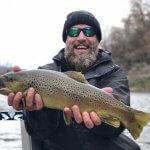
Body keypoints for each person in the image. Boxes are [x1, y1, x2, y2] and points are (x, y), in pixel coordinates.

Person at [8, 10, 140, 150]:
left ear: (98, 39)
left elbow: (117, 126)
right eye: (73, 31)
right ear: (66, 39)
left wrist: (99, 117)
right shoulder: (44, 73)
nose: (81, 37)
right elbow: (39, 133)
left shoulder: (114, 73)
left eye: (89, 32)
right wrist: (35, 111)